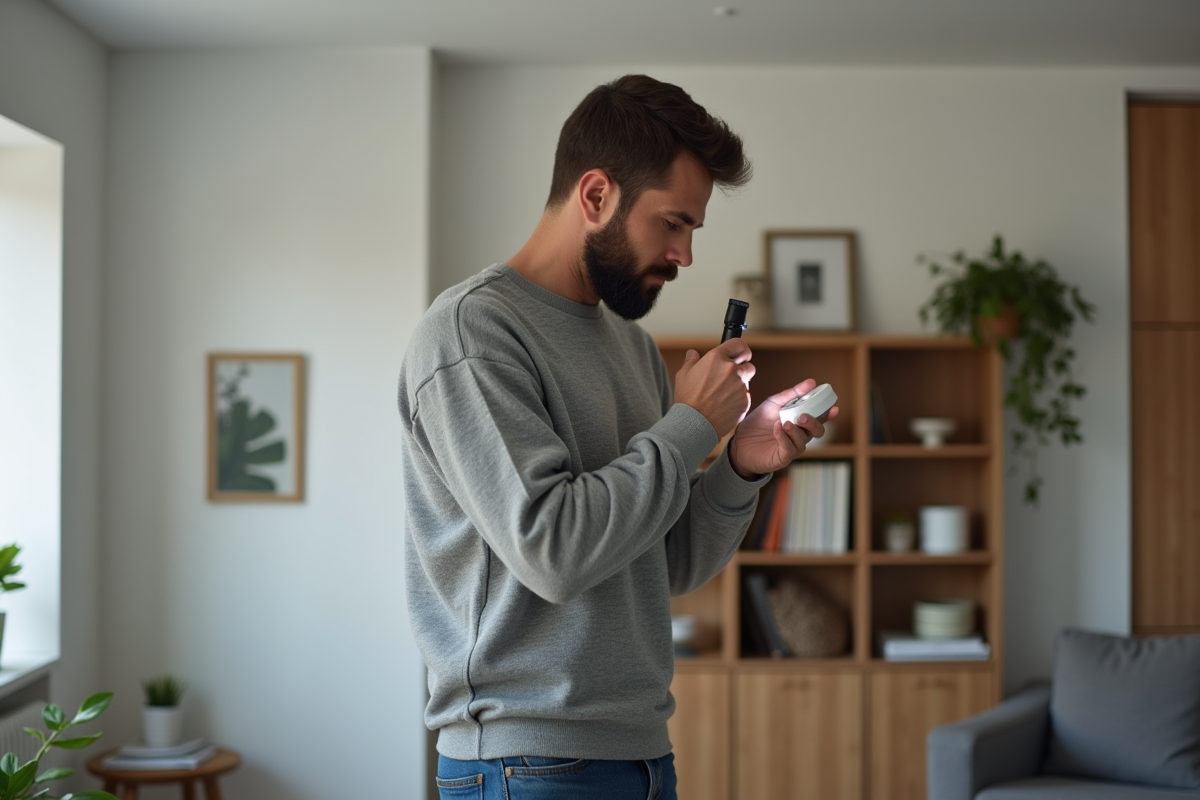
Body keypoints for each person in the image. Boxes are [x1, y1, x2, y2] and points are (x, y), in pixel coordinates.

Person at [398, 74, 837, 800]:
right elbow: (554, 551)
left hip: (641, 753)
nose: (686, 254)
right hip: (523, 762)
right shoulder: (471, 334)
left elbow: (660, 564)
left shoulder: (632, 349)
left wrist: (738, 465)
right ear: (596, 195)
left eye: (693, 228)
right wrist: (690, 423)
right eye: (672, 223)